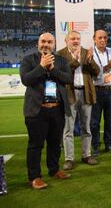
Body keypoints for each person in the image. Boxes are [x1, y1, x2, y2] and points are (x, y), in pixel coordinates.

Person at [20, 32, 72, 189]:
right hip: (37, 111)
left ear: (54, 45)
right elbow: (26, 80)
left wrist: (53, 69)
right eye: (43, 41)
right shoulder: (28, 60)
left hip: (57, 109)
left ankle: (54, 170)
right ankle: (34, 177)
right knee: (35, 145)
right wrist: (42, 66)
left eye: (49, 42)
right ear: (38, 43)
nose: (46, 45)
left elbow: (68, 79)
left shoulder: (62, 60)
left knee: (55, 143)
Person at [57, 30, 100, 170]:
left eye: (77, 38)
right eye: (73, 38)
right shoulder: (60, 54)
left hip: (86, 93)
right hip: (70, 94)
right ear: (66, 40)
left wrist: (89, 61)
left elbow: (97, 72)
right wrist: (75, 61)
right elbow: (60, 73)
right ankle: (69, 159)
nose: (76, 41)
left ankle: (86, 154)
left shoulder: (86, 52)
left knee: (86, 127)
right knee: (68, 128)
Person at [90, 30, 111, 156]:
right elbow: (92, 73)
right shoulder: (90, 53)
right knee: (94, 121)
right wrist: (108, 66)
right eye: (100, 37)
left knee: (110, 120)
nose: (102, 40)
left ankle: (109, 144)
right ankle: (94, 147)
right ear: (94, 38)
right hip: (96, 90)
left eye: (105, 37)